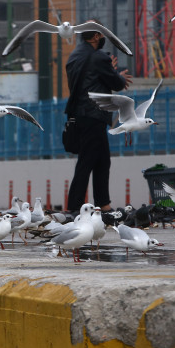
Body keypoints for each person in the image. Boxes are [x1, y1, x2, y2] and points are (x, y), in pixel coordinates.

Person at [65, 30, 132, 214]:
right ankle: (74, 206)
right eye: (102, 35)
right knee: (86, 162)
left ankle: (104, 204)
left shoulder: (75, 55)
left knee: (102, 161)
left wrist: (109, 70)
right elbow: (117, 83)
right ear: (96, 36)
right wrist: (117, 74)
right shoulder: (98, 57)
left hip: (81, 114)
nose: (104, 38)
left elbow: (89, 80)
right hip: (93, 114)